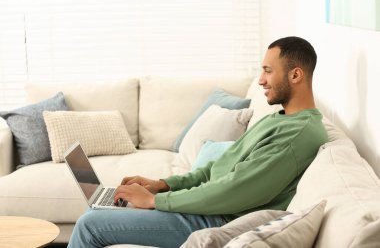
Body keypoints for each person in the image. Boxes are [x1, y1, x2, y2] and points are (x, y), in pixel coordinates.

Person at [67, 36, 328, 248]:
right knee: (107, 207)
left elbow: (232, 191)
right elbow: (216, 169)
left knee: (90, 224)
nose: (261, 80)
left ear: (295, 76)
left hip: (214, 218)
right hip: (205, 207)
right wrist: (162, 185)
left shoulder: (297, 135)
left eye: (268, 71)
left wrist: (155, 201)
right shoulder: (278, 119)